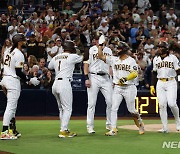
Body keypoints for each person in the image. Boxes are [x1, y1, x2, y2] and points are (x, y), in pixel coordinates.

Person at [98, 35, 144, 136]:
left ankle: (140, 123)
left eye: (119, 48)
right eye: (117, 48)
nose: (117, 50)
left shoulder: (131, 60)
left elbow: (135, 73)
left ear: (123, 50)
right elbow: (100, 56)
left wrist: (126, 78)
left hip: (129, 87)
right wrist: (100, 46)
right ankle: (113, 129)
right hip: (118, 87)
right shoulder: (114, 59)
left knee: (131, 110)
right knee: (113, 108)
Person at [48, 40, 83, 138]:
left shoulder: (56, 56)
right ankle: (63, 130)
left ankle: (63, 128)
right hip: (64, 83)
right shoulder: (72, 56)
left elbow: (49, 66)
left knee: (61, 108)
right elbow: (82, 58)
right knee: (67, 108)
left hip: (55, 84)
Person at [84, 32, 112, 134]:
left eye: (98, 38)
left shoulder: (109, 50)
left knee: (110, 101)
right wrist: (86, 77)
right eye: (96, 39)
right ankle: (90, 126)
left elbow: (110, 66)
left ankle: (109, 124)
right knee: (91, 103)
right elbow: (86, 64)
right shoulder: (91, 50)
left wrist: (112, 79)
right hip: (94, 76)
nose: (97, 40)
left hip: (106, 77)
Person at [0, 34, 27, 139]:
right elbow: (19, 72)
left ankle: (12, 129)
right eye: (23, 40)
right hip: (12, 80)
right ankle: (4, 131)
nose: (25, 41)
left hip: (4, 79)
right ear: (19, 42)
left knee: (12, 106)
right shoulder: (19, 53)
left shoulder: (7, 50)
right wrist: (28, 79)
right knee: (11, 107)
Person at [150, 41, 180, 133]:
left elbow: (179, 71)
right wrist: (152, 85)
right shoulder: (156, 59)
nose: (159, 49)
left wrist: (179, 82)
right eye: (158, 47)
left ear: (166, 49)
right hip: (160, 83)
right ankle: (165, 127)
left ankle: (178, 122)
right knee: (162, 105)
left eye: (161, 47)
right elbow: (154, 73)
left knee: (171, 103)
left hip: (171, 81)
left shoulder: (173, 58)